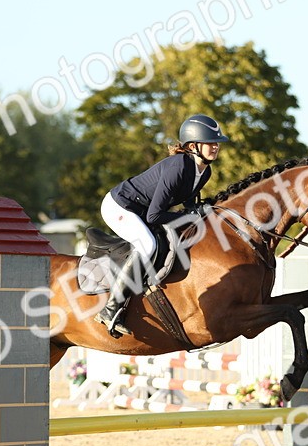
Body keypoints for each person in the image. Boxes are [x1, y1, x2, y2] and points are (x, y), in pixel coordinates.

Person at [95, 114, 230, 337]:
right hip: (119, 206)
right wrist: (189, 217)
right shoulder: (177, 166)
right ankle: (110, 309)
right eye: (210, 143)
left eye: (217, 143)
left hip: (140, 210)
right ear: (193, 145)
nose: (216, 147)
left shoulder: (205, 171)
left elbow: (188, 205)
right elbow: (155, 215)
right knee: (147, 245)